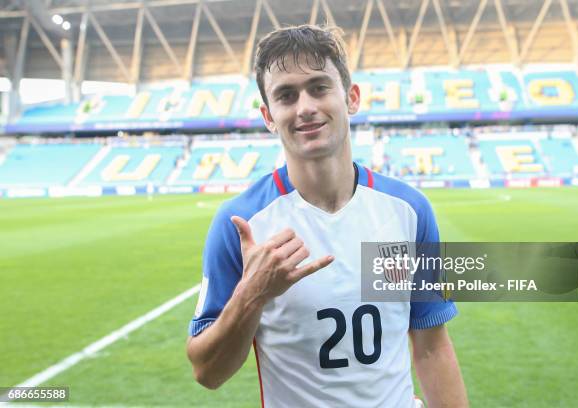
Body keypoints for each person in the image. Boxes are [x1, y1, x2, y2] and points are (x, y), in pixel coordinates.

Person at [187, 24, 468, 407]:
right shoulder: (242, 225)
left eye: (319, 87)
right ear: (269, 116)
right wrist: (252, 295)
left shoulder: (408, 211)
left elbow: (432, 346)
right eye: (286, 96)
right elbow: (207, 372)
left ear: (351, 97)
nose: (305, 107)